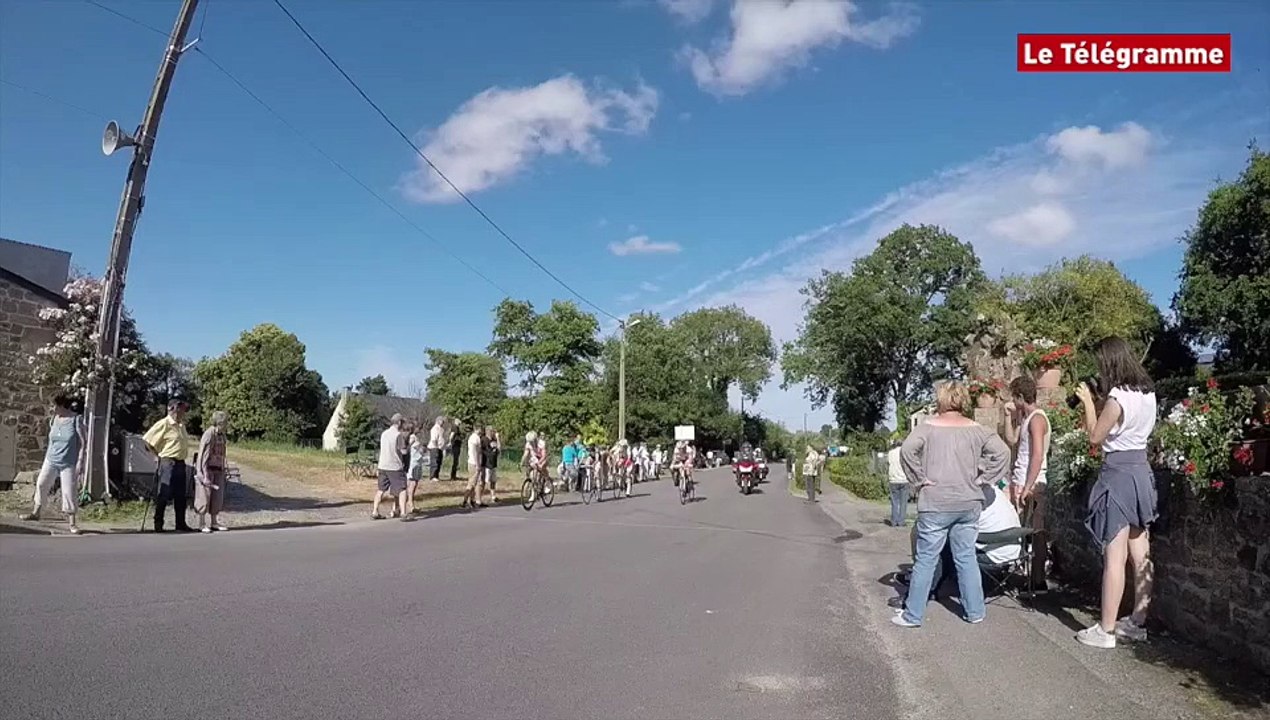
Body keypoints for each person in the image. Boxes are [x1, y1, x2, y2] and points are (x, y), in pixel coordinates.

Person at [893, 381, 1009, 628]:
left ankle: (913, 614)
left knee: (926, 559)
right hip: (969, 501)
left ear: (941, 399)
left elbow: (907, 451)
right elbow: (1003, 453)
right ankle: (975, 611)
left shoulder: (927, 428)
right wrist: (985, 478)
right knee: (966, 557)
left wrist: (918, 479)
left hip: (936, 501)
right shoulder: (977, 429)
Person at [1074, 336, 1158, 649]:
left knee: (1115, 556)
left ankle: (1106, 630)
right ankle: (1137, 622)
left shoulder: (1117, 397)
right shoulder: (1147, 393)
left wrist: (1087, 402)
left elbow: (1095, 437)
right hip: (1141, 473)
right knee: (1141, 554)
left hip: (1118, 476)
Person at [895, 484, 1022, 605]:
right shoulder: (994, 492)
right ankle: (924, 581)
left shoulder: (967, 498)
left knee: (936, 541)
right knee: (951, 537)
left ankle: (922, 591)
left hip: (990, 559)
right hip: (1012, 554)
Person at [1004, 374, 1052, 586]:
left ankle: (1037, 579)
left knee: (1035, 531)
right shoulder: (1026, 418)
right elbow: (1012, 440)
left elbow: (1037, 455)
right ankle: (1028, 576)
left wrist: (1028, 486)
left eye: (1014, 398)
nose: (1013, 402)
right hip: (1021, 480)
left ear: (1021, 397)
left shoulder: (1037, 420)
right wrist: (1008, 416)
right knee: (1024, 530)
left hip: (1031, 482)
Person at [20, 394, 87, 534]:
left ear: (61, 405)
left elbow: (83, 442)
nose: (51, 408)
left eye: (53, 406)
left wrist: (81, 461)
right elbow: (51, 440)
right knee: (41, 484)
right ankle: (36, 513)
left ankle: (72, 523)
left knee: (68, 491)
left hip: (68, 462)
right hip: (51, 459)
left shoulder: (75, 420)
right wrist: (47, 457)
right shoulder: (54, 419)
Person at [142, 400, 195, 533]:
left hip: (180, 463)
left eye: (183, 410)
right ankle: (158, 523)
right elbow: (147, 440)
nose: (182, 412)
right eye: (180, 409)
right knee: (164, 493)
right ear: (172, 409)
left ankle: (180, 524)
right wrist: (156, 456)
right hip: (168, 462)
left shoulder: (181, 425)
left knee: (180, 495)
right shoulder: (164, 423)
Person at [194, 411, 230, 533]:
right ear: (220, 422)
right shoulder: (209, 434)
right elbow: (202, 454)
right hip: (207, 469)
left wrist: (224, 469)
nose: (227, 424)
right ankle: (201, 523)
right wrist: (201, 472)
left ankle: (214, 522)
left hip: (218, 469)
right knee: (204, 496)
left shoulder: (222, 435)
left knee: (217, 497)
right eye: (225, 422)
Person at [372, 414, 409, 520]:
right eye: (402, 422)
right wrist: (407, 448)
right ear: (399, 422)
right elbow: (403, 451)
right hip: (394, 466)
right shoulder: (398, 435)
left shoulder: (384, 434)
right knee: (402, 489)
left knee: (381, 489)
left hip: (383, 465)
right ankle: (403, 513)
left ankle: (375, 511)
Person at [886, 432, 909, 527]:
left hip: (893, 479)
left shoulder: (890, 453)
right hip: (904, 479)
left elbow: (888, 463)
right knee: (903, 502)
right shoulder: (905, 453)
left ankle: (894, 521)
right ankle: (901, 521)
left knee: (894, 501)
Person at [406, 423, 427, 513]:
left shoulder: (416, 437)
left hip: (418, 462)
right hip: (413, 463)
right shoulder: (412, 437)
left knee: (415, 483)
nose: (420, 430)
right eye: (418, 428)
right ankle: (410, 502)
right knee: (412, 483)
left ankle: (411, 502)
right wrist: (423, 447)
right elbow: (418, 449)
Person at [462, 425, 484, 508]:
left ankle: (472, 500)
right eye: (480, 429)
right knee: (472, 483)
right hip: (474, 463)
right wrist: (477, 464)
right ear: (477, 429)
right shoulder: (475, 438)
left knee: (476, 483)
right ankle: (464, 501)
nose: (481, 431)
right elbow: (475, 452)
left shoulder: (473, 437)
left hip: (473, 462)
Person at [482, 427, 501, 503]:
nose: (494, 433)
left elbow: (499, 450)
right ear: (488, 432)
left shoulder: (494, 440)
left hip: (493, 463)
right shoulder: (484, 440)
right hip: (487, 464)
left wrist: (498, 439)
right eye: (492, 431)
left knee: (493, 481)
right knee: (485, 481)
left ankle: (493, 496)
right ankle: (479, 497)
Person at [427, 416, 446, 482]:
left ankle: (436, 476)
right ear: (438, 420)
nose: (443, 422)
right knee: (434, 462)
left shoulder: (441, 429)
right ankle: (432, 476)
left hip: (440, 447)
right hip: (434, 447)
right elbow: (434, 439)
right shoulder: (435, 428)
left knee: (439, 462)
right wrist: (436, 447)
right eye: (442, 421)